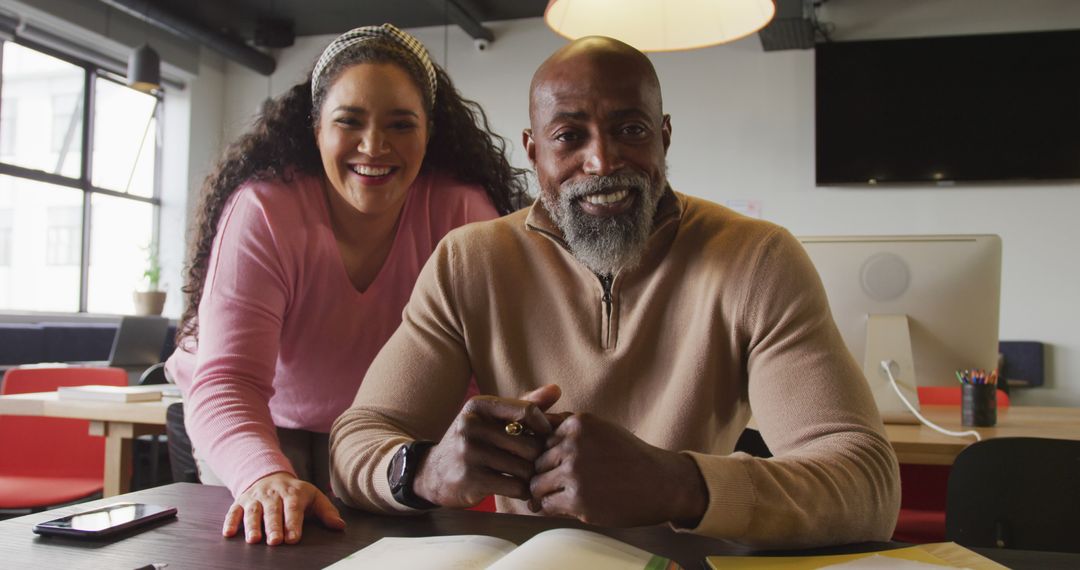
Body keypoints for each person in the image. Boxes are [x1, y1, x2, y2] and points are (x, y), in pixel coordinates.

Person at [329, 36, 900, 548]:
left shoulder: (757, 260)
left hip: (683, 558)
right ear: (533, 152)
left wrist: (680, 484)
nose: (602, 162)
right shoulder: (467, 261)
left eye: (630, 129)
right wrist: (423, 470)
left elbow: (866, 483)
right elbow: (355, 440)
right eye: (568, 136)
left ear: (664, 136)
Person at [166, 24, 526, 546]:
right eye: (349, 121)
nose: (374, 146)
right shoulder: (266, 209)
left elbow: (478, 376)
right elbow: (228, 383)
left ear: (430, 132)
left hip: (383, 429)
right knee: (271, 541)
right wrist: (264, 477)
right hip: (255, 417)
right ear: (316, 130)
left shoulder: (461, 213)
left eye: (401, 125)